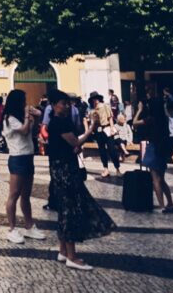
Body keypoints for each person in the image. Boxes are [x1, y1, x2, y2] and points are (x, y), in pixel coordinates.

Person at [47, 89, 115, 271]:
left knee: (65, 209)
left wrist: (73, 148)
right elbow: (75, 142)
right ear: (54, 105)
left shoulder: (57, 122)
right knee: (70, 209)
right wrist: (91, 128)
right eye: (63, 103)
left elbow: (65, 145)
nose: (66, 106)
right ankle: (72, 256)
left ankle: (63, 251)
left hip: (60, 168)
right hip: (65, 171)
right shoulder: (59, 123)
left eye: (67, 103)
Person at [2, 89, 46, 244]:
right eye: (23, 100)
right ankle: (12, 229)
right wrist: (28, 116)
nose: (25, 103)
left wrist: (34, 117)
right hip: (17, 158)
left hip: (28, 156)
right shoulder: (9, 119)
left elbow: (32, 132)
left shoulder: (20, 117)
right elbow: (24, 130)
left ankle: (29, 225)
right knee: (14, 194)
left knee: (26, 195)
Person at [133, 84, 173, 213]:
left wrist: (140, 110)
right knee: (162, 178)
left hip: (154, 147)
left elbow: (135, 123)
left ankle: (162, 206)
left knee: (155, 179)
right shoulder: (164, 119)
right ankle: (170, 203)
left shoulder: (150, 119)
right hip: (163, 147)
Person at [89, 93, 120, 177]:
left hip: (107, 129)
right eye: (93, 99)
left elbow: (110, 118)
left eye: (96, 98)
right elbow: (92, 122)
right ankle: (106, 169)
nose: (95, 100)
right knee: (102, 151)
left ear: (99, 98)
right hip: (98, 131)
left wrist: (112, 128)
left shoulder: (105, 106)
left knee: (112, 150)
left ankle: (117, 169)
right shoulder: (92, 111)